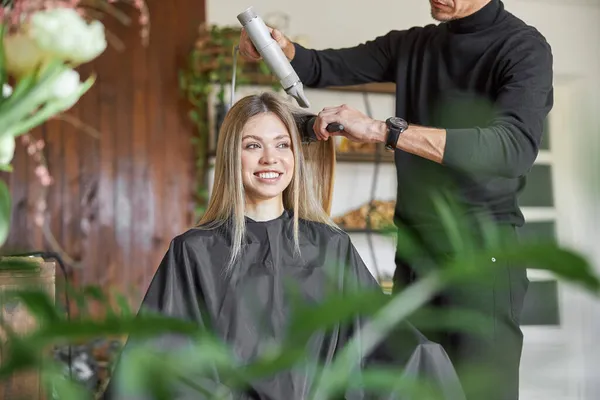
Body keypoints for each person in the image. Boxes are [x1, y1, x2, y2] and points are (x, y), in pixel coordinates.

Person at [238, 0, 553, 399]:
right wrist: (283, 51)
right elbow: (321, 66)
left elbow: (511, 149)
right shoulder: (414, 45)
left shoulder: (522, 47)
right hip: (416, 255)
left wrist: (381, 130)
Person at [103, 92, 466, 399]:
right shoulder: (194, 252)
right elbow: (160, 362)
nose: (270, 159)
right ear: (233, 156)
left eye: (282, 145)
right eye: (252, 146)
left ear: (295, 156)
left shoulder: (331, 246)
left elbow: (379, 340)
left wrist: (427, 360)